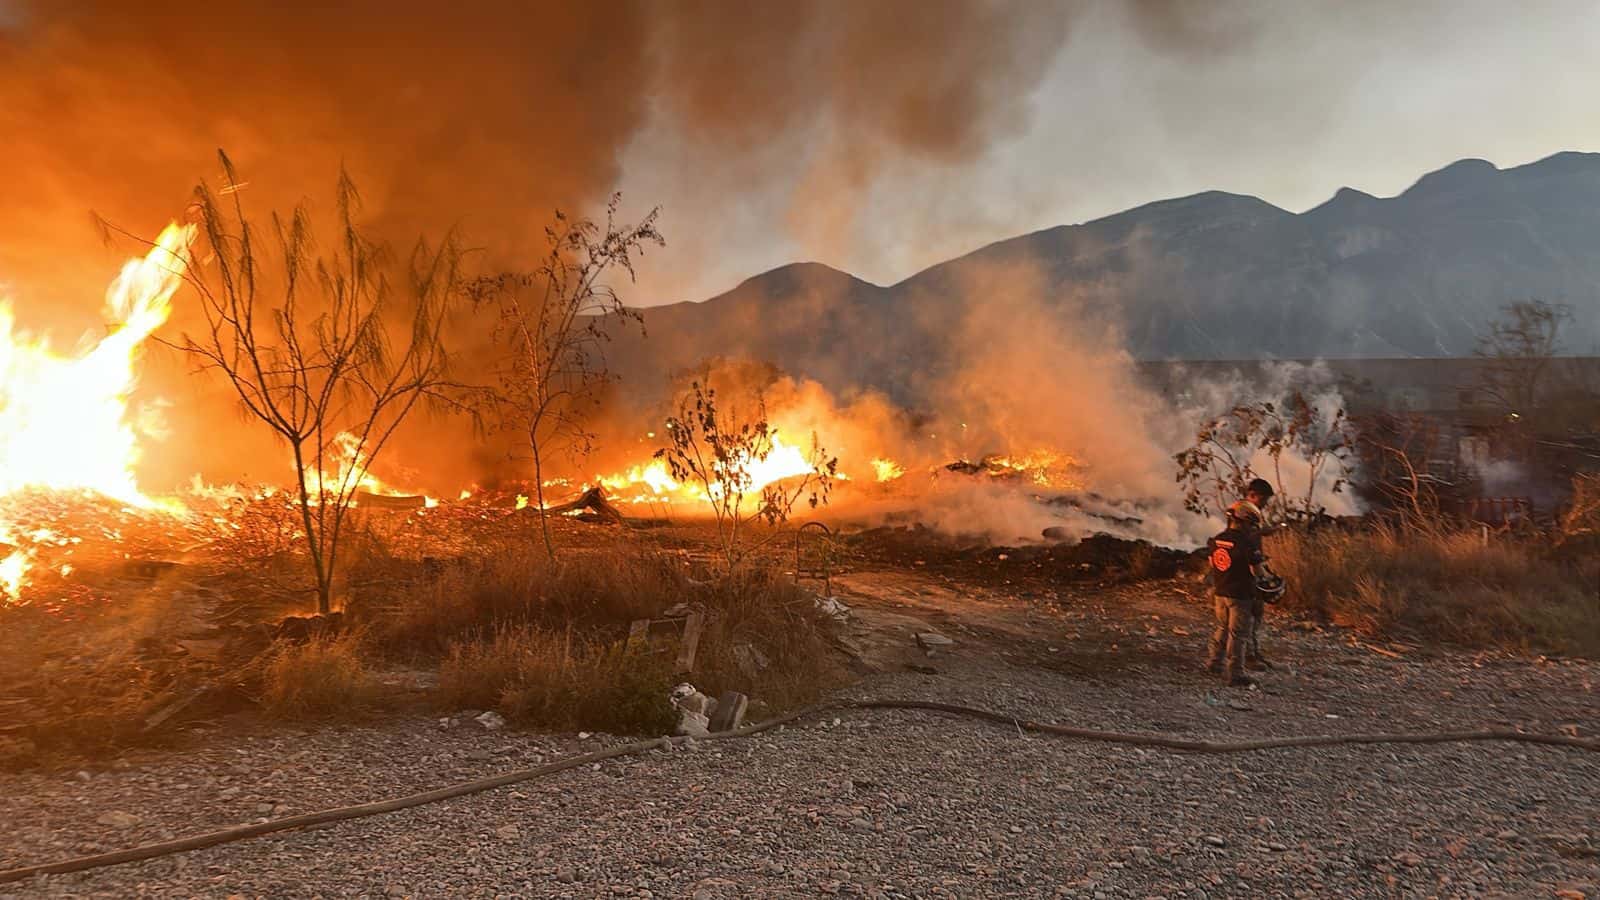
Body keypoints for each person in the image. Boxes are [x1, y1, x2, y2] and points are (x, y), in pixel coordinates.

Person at [1203, 499, 1267, 686]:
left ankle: (1214, 663)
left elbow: (1213, 564)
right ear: (1244, 521)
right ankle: (1235, 673)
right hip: (1240, 595)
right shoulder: (1247, 544)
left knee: (1222, 628)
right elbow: (1257, 572)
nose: (1252, 528)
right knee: (1238, 634)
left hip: (1220, 592)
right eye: (1251, 524)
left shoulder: (1217, 539)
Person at [1243, 478, 1277, 670]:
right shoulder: (1243, 513)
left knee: (1256, 613)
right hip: (1247, 570)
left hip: (1253, 566)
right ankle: (1248, 656)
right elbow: (1245, 539)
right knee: (1249, 615)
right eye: (1263, 499)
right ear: (1252, 495)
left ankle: (1253, 652)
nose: (1265, 504)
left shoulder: (1250, 512)